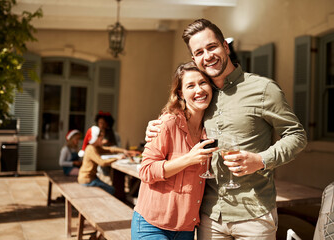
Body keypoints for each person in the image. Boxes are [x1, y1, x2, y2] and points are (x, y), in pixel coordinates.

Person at [145, 19, 307, 239]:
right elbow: (177, 120)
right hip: (209, 216)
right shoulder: (202, 94)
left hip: (254, 213)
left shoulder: (263, 89)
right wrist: (154, 126)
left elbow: (296, 135)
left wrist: (261, 160)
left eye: (212, 47)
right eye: (199, 52)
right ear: (194, 59)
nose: (208, 56)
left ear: (225, 46)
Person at [131, 61, 218, 240]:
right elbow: (146, 171)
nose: (199, 90)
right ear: (181, 93)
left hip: (186, 229)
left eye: (203, 83)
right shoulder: (168, 123)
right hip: (152, 225)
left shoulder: (210, 129)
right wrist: (188, 159)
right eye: (190, 86)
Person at [78, 126, 138, 195]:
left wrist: (123, 151)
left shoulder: (95, 147)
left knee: (110, 188)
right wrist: (117, 158)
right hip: (87, 180)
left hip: (90, 178)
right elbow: (102, 163)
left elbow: (109, 149)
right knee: (111, 190)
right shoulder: (91, 149)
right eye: (101, 138)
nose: (103, 140)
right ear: (96, 138)